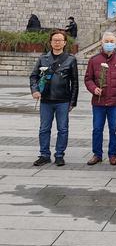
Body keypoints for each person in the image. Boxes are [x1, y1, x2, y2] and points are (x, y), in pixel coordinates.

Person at [29, 30, 78, 167]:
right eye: (54, 40)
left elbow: (74, 82)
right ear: (50, 42)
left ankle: (59, 154)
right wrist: (35, 90)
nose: (57, 42)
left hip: (63, 100)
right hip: (46, 100)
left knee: (63, 129)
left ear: (64, 42)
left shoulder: (70, 59)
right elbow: (34, 77)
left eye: (60, 40)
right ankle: (44, 154)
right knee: (44, 128)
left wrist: (73, 101)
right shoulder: (43, 59)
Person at [84, 32, 116, 166]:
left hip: (115, 103)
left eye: (111, 41)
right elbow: (88, 79)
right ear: (102, 42)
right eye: (107, 41)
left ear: (115, 43)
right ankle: (97, 154)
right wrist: (94, 89)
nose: (109, 43)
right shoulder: (94, 60)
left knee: (113, 129)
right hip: (98, 102)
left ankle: (112, 154)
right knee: (97, 129)